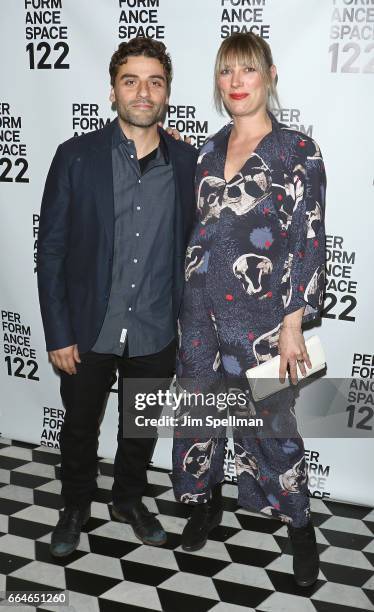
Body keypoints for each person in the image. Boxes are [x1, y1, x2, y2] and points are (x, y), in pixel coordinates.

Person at [171, 32, 326, 587]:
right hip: (198, 313)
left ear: (270, 75)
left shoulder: (296, 152)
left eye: (247, 71)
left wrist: (293, 326)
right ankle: (206, 502)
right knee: (199, 413)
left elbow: (309, 240)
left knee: (273, 423)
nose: (236, 82)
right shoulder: (208, 150)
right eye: (225, 72)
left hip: (263, 321)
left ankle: (302, 528)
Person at [37, 37, 198, 556]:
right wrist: (58, 332)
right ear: (113, 92)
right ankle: (75, 504)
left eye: (155, 82)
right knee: (80, 425)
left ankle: (129, 498)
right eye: (131, 81)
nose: (143, 92)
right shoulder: (75, 157)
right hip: (89, 327)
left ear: (167, 93)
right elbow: (53, 252)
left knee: (140, 427)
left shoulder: (191, 163)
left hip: (155, 325)